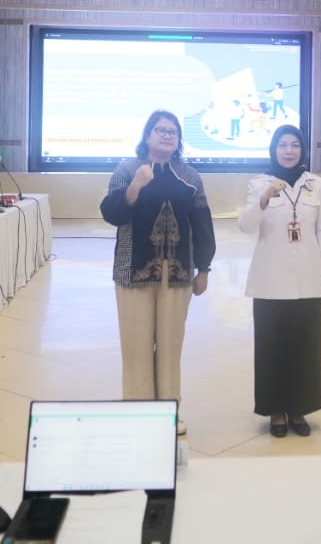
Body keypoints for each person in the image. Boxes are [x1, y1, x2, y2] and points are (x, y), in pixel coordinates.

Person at [100, 111, 215, 435]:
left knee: (169, 346)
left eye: (173, 132)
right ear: (148, 135)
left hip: (177, 274)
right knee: (135, 347)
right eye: (160, 130)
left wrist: (203, 268)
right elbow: (112, 213)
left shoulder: (190, 176)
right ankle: (136, 412)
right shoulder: (127, 170)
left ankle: (169, 411)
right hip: (132, 271)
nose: (167, 136)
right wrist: (136, 185)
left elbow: (202, 225)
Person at [237, 126, 321, 438]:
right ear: (273, 149)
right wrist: (265, 198)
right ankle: (276, 409)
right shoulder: (259, 184)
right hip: (270, 280)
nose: (289, 151)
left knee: (304, 346)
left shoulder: (315, 184)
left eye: (295, 145)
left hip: (307, 279)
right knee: (271, 348)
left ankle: (299, 407)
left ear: (302, 150)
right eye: (283, 145)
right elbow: (246, 226)